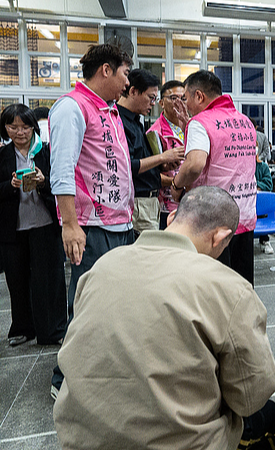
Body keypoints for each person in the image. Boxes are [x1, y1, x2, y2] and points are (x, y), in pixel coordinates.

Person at [53, 186, 275, 450]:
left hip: (79, 440)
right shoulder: (228, 287)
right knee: (267, 415)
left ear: (171, 219)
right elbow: (252, 395)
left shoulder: (100, 268)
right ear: (220, 237)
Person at [49, 44, 135, 398]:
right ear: (105, 70)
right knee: (85, 304)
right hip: (92, 227)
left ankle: (100, 369)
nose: (127, 82)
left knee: (114, 303)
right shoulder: (72, 107)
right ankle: (63, 379)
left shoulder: (109, 110)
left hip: (119, 225)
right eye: (125, 74)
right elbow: (62, 169)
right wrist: (70, 224)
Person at [169, 70, 258, 285]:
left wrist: (176, 185)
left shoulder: (201, 122)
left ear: (199, 96)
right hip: (244, 216)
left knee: (213, 291)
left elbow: (194, 164)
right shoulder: (245, 121)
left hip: (212, 223)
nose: (186, 105)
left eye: (186, 98)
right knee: (241, 286)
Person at [0, 104, 66, 346]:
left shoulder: (46, 151)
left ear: (34, 127)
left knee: (49, 279)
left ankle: (53, 330)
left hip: (45, 224)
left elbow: (61, 183)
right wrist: (10, 185)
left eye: (25, 126)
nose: (19, 132)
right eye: (12, 127)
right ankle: (23, 328)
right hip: (13, 228)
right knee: (17, 281)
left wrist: (42, 181)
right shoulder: (2, 156)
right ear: (5, 128)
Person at [118, 69, 184, 236]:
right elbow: (126, 166)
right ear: (132, 91)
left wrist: (163, 165)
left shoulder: (137, 121)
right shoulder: (118, 121)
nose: (153, 103)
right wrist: (163, 157)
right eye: (150, 97)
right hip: (139, 201)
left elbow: (143, 161)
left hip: (150, 201)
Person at [147, 80, 189, 230]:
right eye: (173, 98)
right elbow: (152, 175)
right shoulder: (155, 133)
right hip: (168, 205)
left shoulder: (192, 126)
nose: (178, 102)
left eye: (183, 98)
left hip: (190, 202)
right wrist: (178, 182)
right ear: (161, 103)